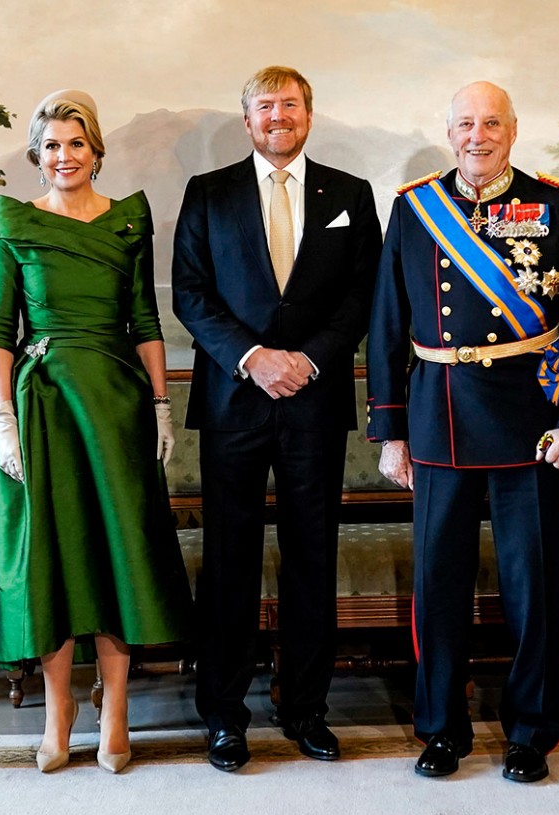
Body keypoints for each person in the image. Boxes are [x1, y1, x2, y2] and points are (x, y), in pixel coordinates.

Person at [366, 81, 559, 782]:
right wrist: (391, 431)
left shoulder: (558, 206)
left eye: (492, 123)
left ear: (513, 130)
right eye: (466, 124)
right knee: (438, 587)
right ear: (449, 133)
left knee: (533, 585)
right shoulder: (415, 209)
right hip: (438, 416)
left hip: (531, 419)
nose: (478, 136)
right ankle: (442, 728)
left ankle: (532, 729)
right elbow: (387, 323)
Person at [0, 90, 193, 775]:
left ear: (96, 151)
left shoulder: (127, 222)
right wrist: (3, 421)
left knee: (120, 556)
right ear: (39, 154)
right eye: (53, 145)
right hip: (46, 407)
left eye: (77, 143)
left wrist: (160, 406)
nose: (65, 156)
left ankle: (115, 708)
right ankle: (59, 709)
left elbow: (145, 320)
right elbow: (0, 331)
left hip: (118, 406)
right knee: (55, 562)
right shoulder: (16, 222)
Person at [171, 66, 382, 772]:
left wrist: (310, 359)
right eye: (266, 106)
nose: (278, 116)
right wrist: (255, 357)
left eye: (290, 104)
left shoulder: (351, 196)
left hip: (314, 402)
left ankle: (306, 709)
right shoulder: (208, 194)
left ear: (309, 115)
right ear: (247, 119)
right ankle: (224, 717)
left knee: (311, 559)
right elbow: (193, 297)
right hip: (234, 402)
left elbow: (363, 297)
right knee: (229, 563)